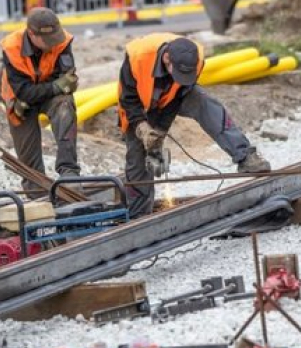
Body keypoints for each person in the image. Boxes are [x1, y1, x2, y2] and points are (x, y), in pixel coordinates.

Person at [117, 33, 272, 218]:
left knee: (203, 102)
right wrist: (142, 129)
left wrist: (159, 131)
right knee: (137, 161)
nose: (180, 77)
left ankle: (245, 155)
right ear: (167, 58)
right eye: (179, 73)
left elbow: (177, 96)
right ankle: (138, 216)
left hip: (171, 101)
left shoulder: (195, 58)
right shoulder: (137, 57)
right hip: (137, 109)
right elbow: (128, 99)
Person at [0, 7, 81, 192]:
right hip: (19, 102)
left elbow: (67, 80)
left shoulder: (62, 41)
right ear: (32, 34)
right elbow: (24, 92)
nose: (53, 44)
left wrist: (56, 87)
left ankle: (69, 173)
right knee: (30, 166)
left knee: (64, 104)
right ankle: (37, 193)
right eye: (47, 40)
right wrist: (55, 86)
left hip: (45, 96)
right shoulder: (12, 47)